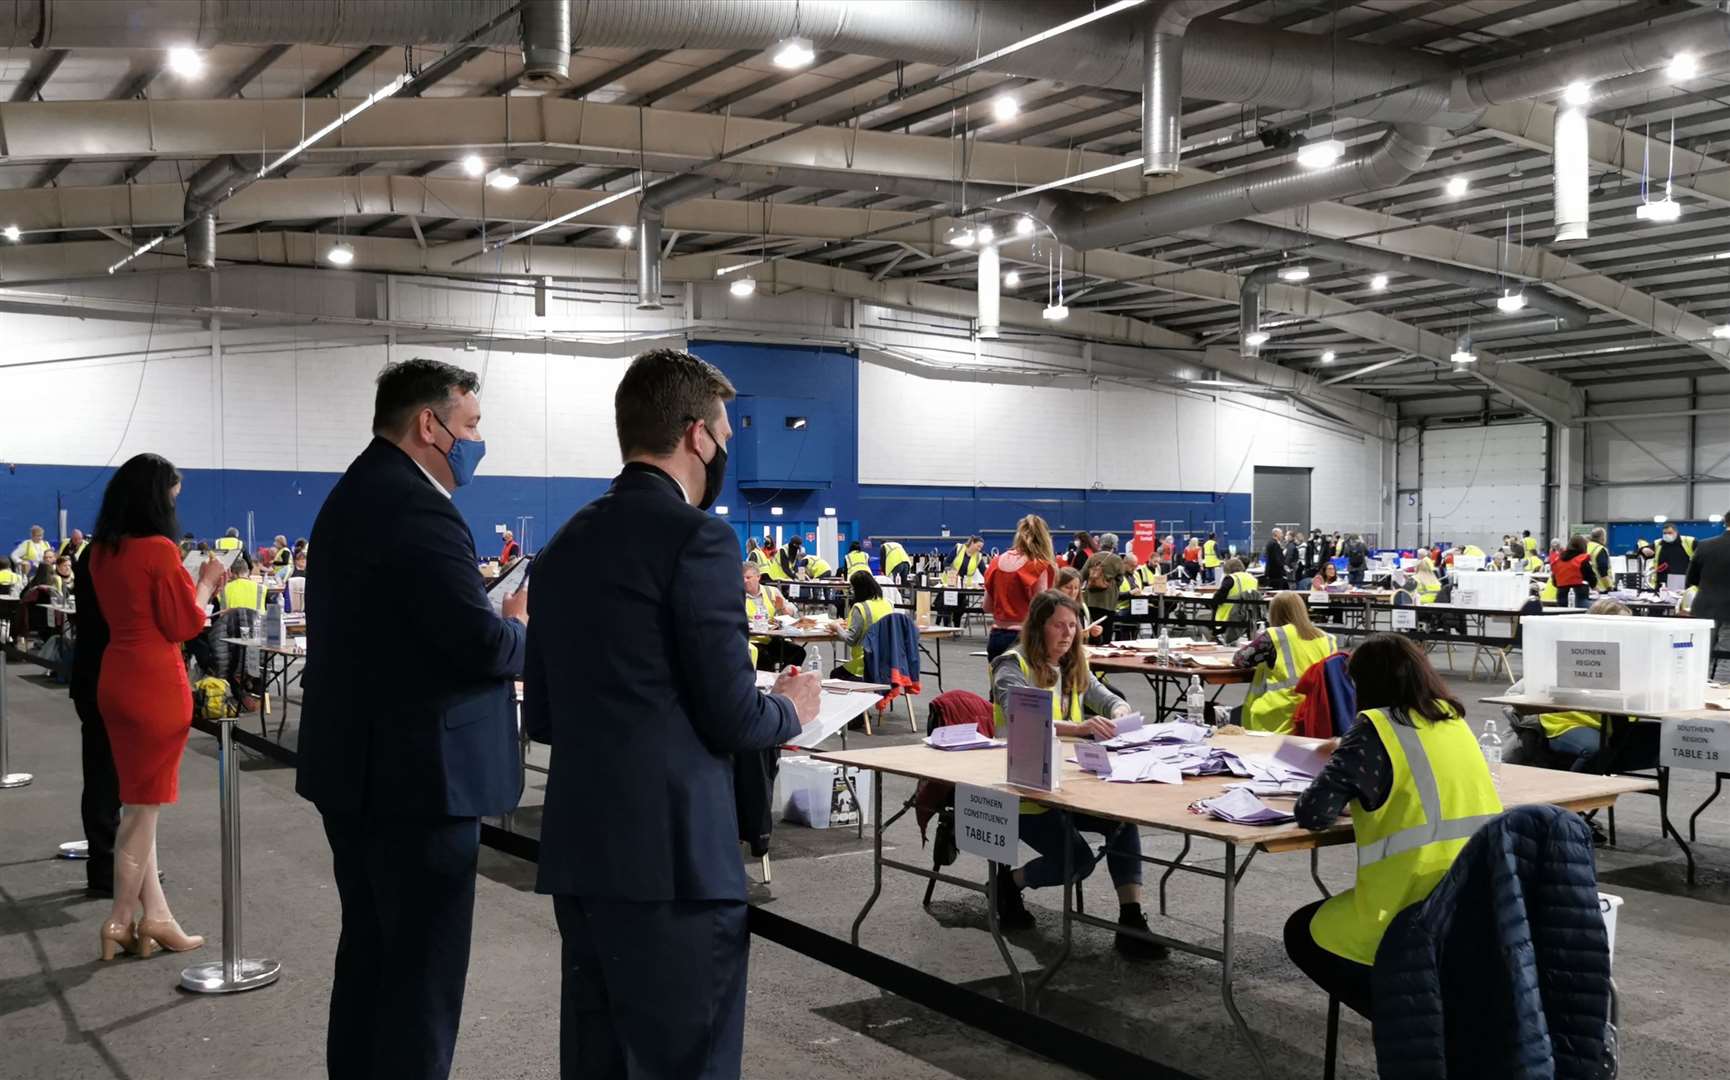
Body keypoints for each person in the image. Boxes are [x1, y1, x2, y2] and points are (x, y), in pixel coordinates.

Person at [523, 347, 819, 1079]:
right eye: (723, 431)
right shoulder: (698, 539)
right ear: (697, 434)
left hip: (582, 850)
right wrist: (789, 709)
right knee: (687, 1061)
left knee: (599, 1061)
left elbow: (547, 716)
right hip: (674, 862)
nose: (725, 446)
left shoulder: (562, 547)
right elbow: (730, 717)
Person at [296, 357, 529, 1080]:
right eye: (471, 424)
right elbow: (479, 643)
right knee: (420, 987)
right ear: (429, 424)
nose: (477, 438)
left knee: (370, 964)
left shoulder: (357, 493)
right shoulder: (418, 508)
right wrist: (521, 623)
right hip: (417, 783)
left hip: (362, 768)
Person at [1284, 634, 1502, 1019]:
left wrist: (1345, 770)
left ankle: (1410, 1018)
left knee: (1302, 932)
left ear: (1364, 684)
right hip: (1475, 900)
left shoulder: (1373, 731)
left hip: (1403, 907)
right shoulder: (1453, 720)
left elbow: (1313, 812)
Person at [86, 453, 228, 962]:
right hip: (155, 683)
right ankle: (119, 921)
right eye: (173, 493)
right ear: (157, 495)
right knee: (141, 814)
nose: (176, 503)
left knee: (138, 806)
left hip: (116, 677)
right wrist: (208, 582)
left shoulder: (101, 551)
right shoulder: (160, 550)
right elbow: (184, 624)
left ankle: (158, 919)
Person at [988, 590, 1162, 959]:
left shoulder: (1072, 665)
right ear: (1038, 627)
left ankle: (1130, 920)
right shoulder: (1010, 665)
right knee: (1078, 862)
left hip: (1072, 782)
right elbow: (1022, 714)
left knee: (1122, 823)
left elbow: (1107, 697)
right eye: (1058, 626)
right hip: (1024, 788)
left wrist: (1118, 711)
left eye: (1073, 626)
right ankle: (1010, 881)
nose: (1067, 634)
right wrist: (1081, 728)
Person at [70, 538, 119, 898]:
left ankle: (107, 867)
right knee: (113, 781)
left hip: (90, 674)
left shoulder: (93, 552)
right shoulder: (121, 552)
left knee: (101, 776)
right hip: (115, 675)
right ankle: (112, 869)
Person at [1230, 592, 1338, 732]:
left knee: (1234, 716)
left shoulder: (1276, 636)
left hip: (1281, 714)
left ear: (1274, 613)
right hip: (1318, 712)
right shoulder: (1328, 638)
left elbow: (1240, 659)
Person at [982, 514, 1056, 661]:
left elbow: (987, 607)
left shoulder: (995, 562)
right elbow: (1041, 611)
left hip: (997, 637)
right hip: (1026, 638)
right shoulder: (1039, 566)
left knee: (999, 682)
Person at [829, 570, 894, 680]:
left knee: (836, 674)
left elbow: (850, 639)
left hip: (865, 664)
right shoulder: (887, 604)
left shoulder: (860, 607)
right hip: (887, 663)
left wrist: (836, 627)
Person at [743, 560, 806, 672]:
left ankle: (783, 678)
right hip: (750, 640)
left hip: (770, 638)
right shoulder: (737, 596)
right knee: (765, 658)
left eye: (748, 578)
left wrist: (782, 608)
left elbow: (792, 612)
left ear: (758, 577)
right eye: (742, 578)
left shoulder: (772, 591)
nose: (744, 581)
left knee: (798, 652)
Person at [1686, 511, 1730, 664]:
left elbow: (1691, 579)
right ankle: (1722, 687)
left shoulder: (1704, 545)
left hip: (1705, 607)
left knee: (1701, 652)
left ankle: (1700, 684)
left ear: (1725, 523)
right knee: (1726, 657)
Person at [1080, 532, 1127, 642]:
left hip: (1091, 600)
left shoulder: (1093, 557)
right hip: (1108, 601)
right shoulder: (1117, 559)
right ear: (1114, 544)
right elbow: (1120, 579)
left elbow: (1082, 575)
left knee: (1093, 631)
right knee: (1106, 632)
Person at [1211, 557, 1260, 642]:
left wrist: (1212, 605)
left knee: (1200, 618)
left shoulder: (1230, 579)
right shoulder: (1253, 579)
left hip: (1229, 616)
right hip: (1249, 616)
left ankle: (1215, 642)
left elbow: (1217, 599)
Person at [1055, 566, 1102, 641]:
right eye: (1068, 587)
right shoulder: (1052, 609)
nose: (1073, 592)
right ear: (1057, 587)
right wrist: (1078, 635)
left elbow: (1092, 642)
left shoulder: (1082, 608)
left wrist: (1095, 634)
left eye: (1076, 588)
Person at [1549, 534, 1593, 608]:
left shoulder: (1558, 561)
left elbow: (1554, 582)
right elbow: (1592, 579)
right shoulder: (1582, 560)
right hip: (1579, 595)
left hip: (1561, 595)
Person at [1653, 523, 1695, 588]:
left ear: (1676, 532)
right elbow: (1647, 549)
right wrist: (1644, 549)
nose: (1667, 535)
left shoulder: (1688, 541)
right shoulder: (1659, 543)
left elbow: (1702, 551)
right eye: (1664, 533)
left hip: (1683, 581)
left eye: (1669, 533)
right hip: (1662, 582)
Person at [1586, 527, 1614, 591]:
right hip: (1601, 588)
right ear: (1602, 537)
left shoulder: (1585, 547)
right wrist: (1609, 587)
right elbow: (1603, 571)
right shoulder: (1600, 549)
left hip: (1587, 587)